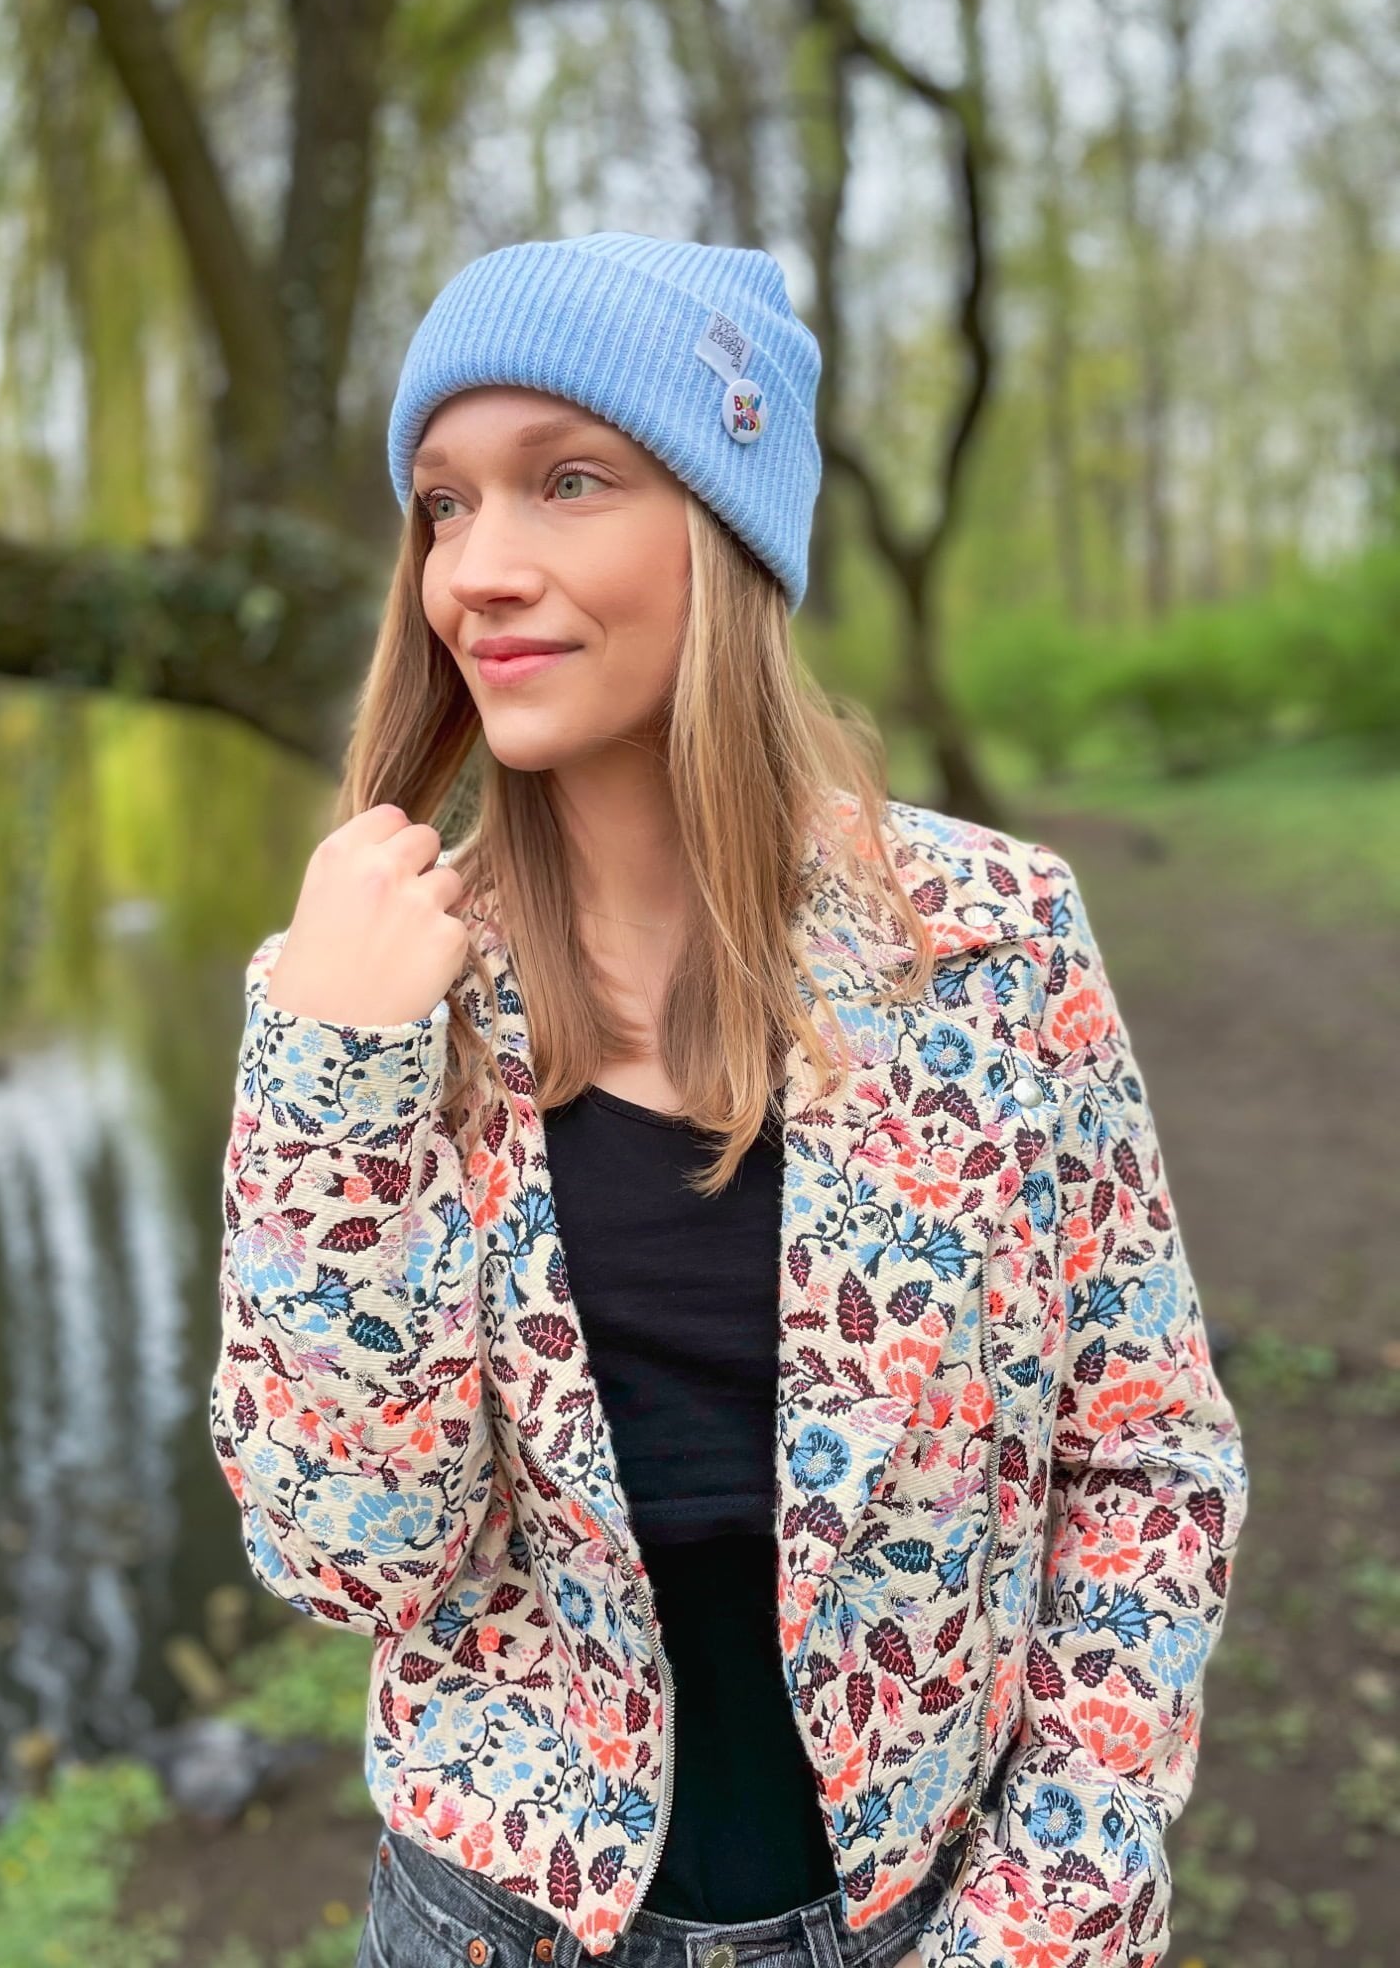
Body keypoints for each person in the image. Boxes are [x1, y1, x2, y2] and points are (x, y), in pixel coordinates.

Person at [208, 232, 1248, 1968]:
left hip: (936, 1922)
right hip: (492, 1928)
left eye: (569, 480)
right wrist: (335, 1076)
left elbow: (1145, 1458)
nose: (480, 570)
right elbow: (353, 1558)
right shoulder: (366, 993)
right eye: (445, 505)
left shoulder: (993, 945)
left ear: (729, 523)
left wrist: (1051, 1904)